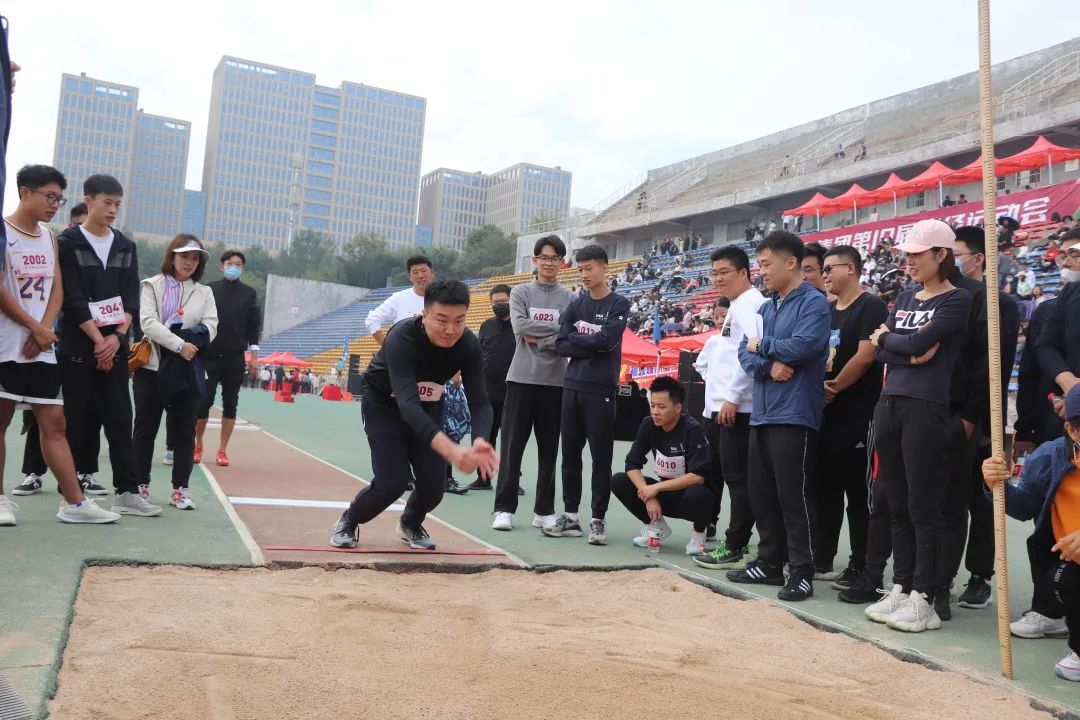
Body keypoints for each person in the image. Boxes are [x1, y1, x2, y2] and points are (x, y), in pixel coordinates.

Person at [330, 280, 498, 550]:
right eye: (441, 320)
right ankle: (350, 519)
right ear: (424, 314)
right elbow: (408, 405)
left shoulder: (468, 344)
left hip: (429, 406)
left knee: (434, 484)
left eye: (459, 320)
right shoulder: (402, 338)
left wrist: (480, 441)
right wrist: (453, 452)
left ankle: (410, 522)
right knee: (392, 482)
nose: (450, 330)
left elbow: (480, 403)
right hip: (384, 406)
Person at [864, 219, 973, 632]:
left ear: (940, 255)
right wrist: (901, 352)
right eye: (906, 254)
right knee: (894, 500)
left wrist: (891, 344)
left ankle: (925, 596)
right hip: (890, 404)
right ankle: (903, 585)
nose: (908, 262)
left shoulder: (957, 300)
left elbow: (906, 342)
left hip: (927, 408)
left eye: (916, 254)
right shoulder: (907, 295)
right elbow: (889, 351)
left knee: (923, 505)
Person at [0, 164, 120, 526]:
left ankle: (75, 503)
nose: (55, 205)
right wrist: (33, 327)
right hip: (7, 344)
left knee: (55, 423)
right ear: (24, 192)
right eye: (49, 197)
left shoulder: (51, 237)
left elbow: (57, 287)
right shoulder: (4, 231)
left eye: (59, 198)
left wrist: (46, 330)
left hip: (42, 345)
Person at [729, 231, 831, 601]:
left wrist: (765, 348)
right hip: (763, 414)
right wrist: (770, 364)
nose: (762, 271)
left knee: (794, 495)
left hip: (795, 414)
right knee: (763, 493)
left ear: (791, 263)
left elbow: (805, 345)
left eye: (767, 264)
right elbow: (745, 352)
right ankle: (770, 562)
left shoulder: (814, 302)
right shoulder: (767, 307)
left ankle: (801, 570)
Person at [56, 174, 160, 517]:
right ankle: (70, 496)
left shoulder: (125, 246)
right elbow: (70, 297)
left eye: (118, 204)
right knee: (75, 419)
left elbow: (131, 296)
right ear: (89, 201)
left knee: (119, 417)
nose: (113, 210)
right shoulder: (68, 242)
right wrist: (98, 339)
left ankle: (127, 492)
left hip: (115, 343)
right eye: (107, 203)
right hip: (78, 342)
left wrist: (115, 338)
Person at [938, 226, 1019, 616]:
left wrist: (987, 424)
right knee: (948, 497)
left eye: (956, 253)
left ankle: (979, 575)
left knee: (982, 499)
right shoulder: (950, 297)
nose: (949, 260)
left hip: (981, 419)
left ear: (977, 258)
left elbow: (994, 367)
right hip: (947, 413)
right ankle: (942, 575)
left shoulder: (996, 302)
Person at [982, 384, 1080, 682]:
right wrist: (995, 485)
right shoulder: (1049, 457)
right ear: (1072, 431)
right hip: (1072, 558)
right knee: (1062, 582)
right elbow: (1023, 507)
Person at [814, 245, 888, 588]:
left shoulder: (870, 305)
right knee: (825, 491)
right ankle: (822, 557)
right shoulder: (827, 310)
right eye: (823, 269)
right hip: (825, 417)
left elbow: (866, 356)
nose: (825, 274)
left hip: (857, 414)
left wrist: (833, 388)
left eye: (830, 268)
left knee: (859, 496)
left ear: (852, 269)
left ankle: (861, 564)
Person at [547, 245, 630, 545]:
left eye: (589, 268)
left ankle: (598, 520)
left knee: (600, 459)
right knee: (569, 456)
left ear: (604, 267)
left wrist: (580, 340)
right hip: (572, 388)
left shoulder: (619, 304)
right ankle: (570, 517)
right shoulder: (576, 305)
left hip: (601, 391)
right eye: (580, 269)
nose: (583, 274)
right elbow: (561, 344)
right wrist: (590, 341)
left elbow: (607, 341)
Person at [491, 236, 575, 530]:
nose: (550, 263)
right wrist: (554, 333)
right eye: (545, 257)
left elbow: (568, 336)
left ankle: (544, 510)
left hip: (555, 383)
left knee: (549, 450)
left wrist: (540, 339)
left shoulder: (571, 299)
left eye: (556, 258)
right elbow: (520, 326)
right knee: (512, 447)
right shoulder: (520, 293)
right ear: (535, 260)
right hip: (521, 379)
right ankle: (504, 508)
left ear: (562, 263)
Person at [132, 235, 218, 511]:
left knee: (183, 432)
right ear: (172, 256)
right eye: (184, 256)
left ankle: (180, 489)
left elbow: (211, 326)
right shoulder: (151, 285)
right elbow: (147, 322)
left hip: (186, 371)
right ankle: (139, 485)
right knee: (145, 429)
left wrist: (189, 340)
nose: (189, 262)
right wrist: (178, 343)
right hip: (152, 368)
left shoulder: (204, 292)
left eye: (195, 258)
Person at [693, 247, 765, 570]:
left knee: (738, 479)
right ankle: (737, 541)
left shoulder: (750, 303)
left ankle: (736, 543)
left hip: (740, 408)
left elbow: (752, 351)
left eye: (724, 272)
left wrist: (733, 396)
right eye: (715, 272)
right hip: (728, 407)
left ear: (744, 272)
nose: (718, 278)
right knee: (732, 476)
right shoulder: (737, 305)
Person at [610, 377, 714, 554]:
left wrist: (655, 488)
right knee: (619, 481)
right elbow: (632, 464)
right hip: (663, 495)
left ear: (677, 408)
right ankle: (657, 525)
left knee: (699, 494)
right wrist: (648, 495)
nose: (655, 412)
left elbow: (698, 476)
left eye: (662, 407)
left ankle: (699, 532)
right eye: (653, 405)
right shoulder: (648, 424)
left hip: (690, 499)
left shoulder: (692, 429)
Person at [194, 250, 260, 467]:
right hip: (209, 354)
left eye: (238, 264)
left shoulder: (249, 294)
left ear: (243, 268)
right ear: (221, 266)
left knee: (231, 403)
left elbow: (253, 327)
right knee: (203, 402)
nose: (234, 267)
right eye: (230, 263)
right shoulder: (208, 290)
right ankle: (198, 443)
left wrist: (253, 357)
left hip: (234, 357)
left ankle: (222, 450)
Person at [468, 284, 515, 492]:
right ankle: (483, 478)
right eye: (495, 302)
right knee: (485, 437)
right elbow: (477, 355)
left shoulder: (521, 326)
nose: (499, 305)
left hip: (513, 393)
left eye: (504, 301)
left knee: (511, 440)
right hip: (486, 392)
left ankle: (511, 480)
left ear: (512, 301)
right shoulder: (486, 325)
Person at [364, 256, 434, 346]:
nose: (420, 276)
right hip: (405, 356)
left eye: (424, 271)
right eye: (415, 272)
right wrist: (387, 348)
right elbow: (371, 320)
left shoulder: (443, 299)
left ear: (432, 272)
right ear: (410, 277)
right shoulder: (399, 298)